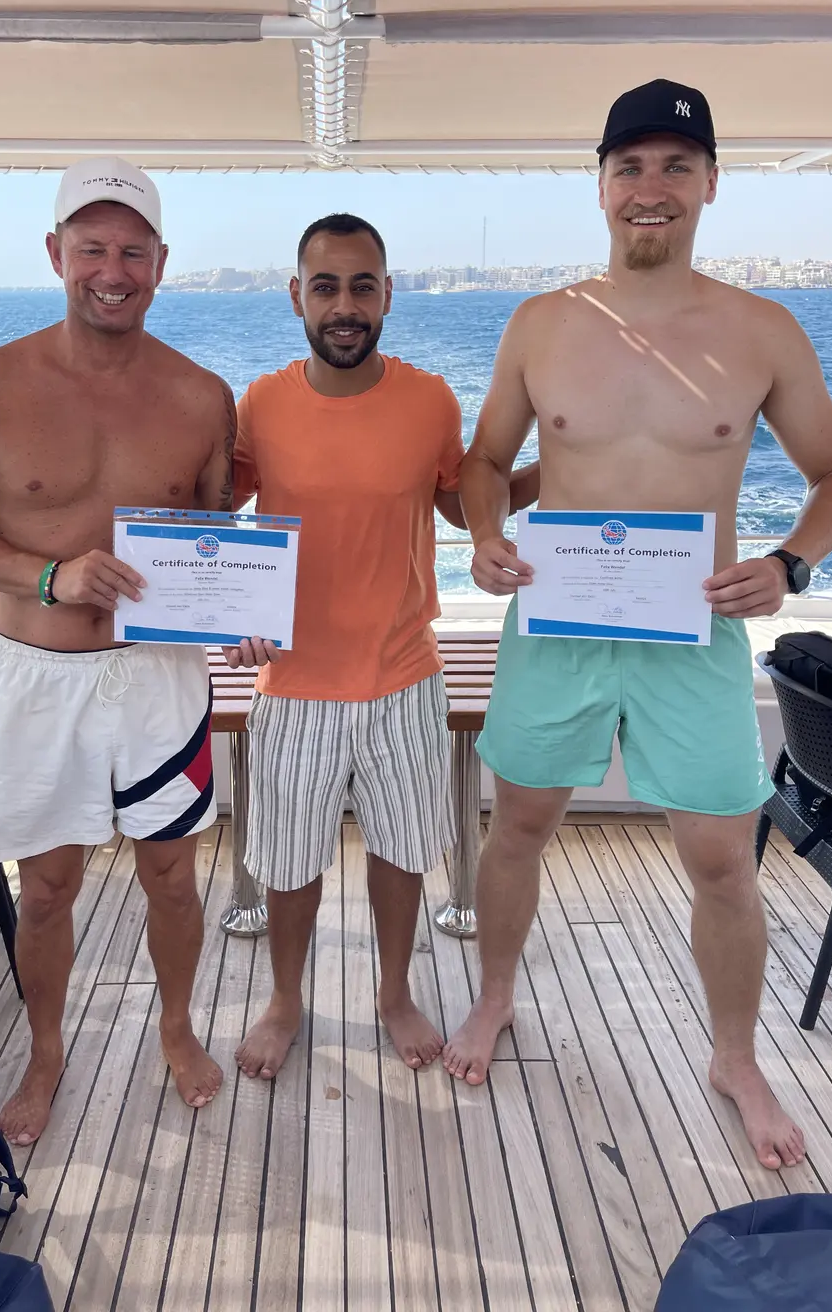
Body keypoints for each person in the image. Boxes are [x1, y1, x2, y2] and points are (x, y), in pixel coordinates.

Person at [445, 79, 832, 1171]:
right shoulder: (543, 323)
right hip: (561, 621)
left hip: (697, 628)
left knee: (722, 859)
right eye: (630, 166)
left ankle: (735, 1056)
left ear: (711, 185)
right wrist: (487, 539)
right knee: (519, 826)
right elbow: (484, 463)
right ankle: (495, 996)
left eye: (676, 166)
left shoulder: (760, 328)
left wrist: (789, 563)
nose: (651, 188)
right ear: (599, 186)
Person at [0, 157, 273, 1145]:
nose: (111, 270)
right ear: (55, 254)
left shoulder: (203, 396)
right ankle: (45, 1051)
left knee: (172, 873)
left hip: (159, 680)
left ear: (161, 263)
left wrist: (234, 611)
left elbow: (207, 546)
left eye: (131, 251)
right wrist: (47, 575)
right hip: (34, 676)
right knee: (49, 888)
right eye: (91, 249)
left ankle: (176, 1024)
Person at [230, 213, 538, 1080]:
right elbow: (211, 522)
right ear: (296, 296)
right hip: (293, 681)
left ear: (389, 294)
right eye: (325, 285)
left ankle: (394, 990)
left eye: (363, 285)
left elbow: (458, 504)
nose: (345, 304)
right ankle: (286, 998)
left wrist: (570, 462)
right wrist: (222, 614)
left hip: (405, 673)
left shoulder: (431, 399)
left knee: (404, 852)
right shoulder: (259, 403)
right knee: (290, 866)